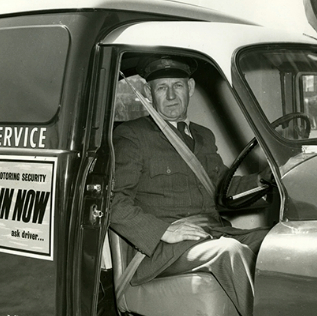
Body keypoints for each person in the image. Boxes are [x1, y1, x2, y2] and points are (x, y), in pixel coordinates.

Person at [110, 55, 270, 316]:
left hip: (212, 233)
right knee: (229, 252)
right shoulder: (133, 135)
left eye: (178, 86)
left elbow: (222, 190)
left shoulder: (203, 136)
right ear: (149, 93)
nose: (171, 95)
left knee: (279, 242)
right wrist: (164, 231)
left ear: (191, 88)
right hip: (162, 251)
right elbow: (112, 201)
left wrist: (263, 180)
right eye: (162, 88)